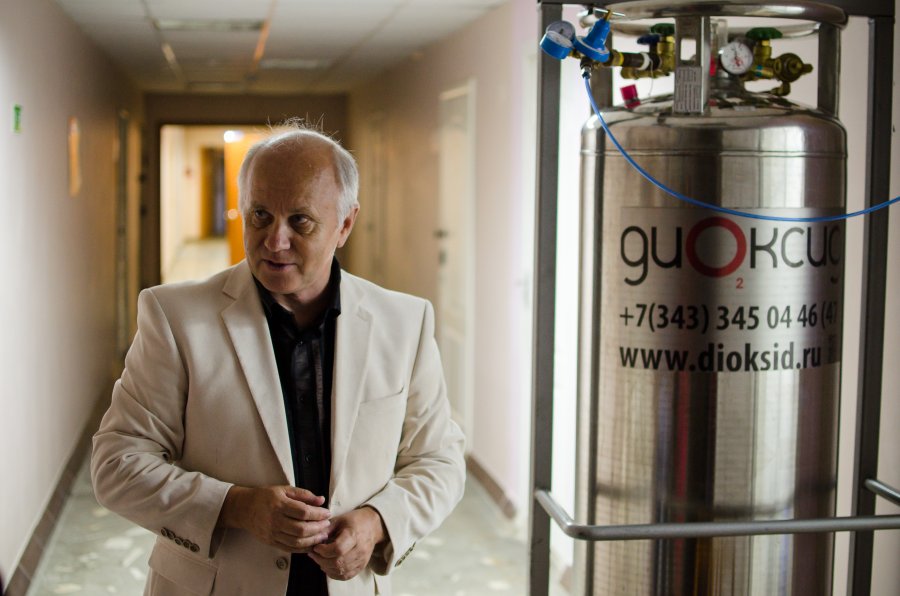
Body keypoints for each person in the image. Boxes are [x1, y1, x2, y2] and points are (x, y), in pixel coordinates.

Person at [91, 123, 466, 596]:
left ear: (345, 224)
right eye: (260, 216)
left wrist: (377, 522)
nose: (275, 241)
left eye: (300, 221)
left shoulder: (405, 323)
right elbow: (117, 463)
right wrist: (235, 506)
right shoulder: (174, 317)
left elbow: (439, 459)